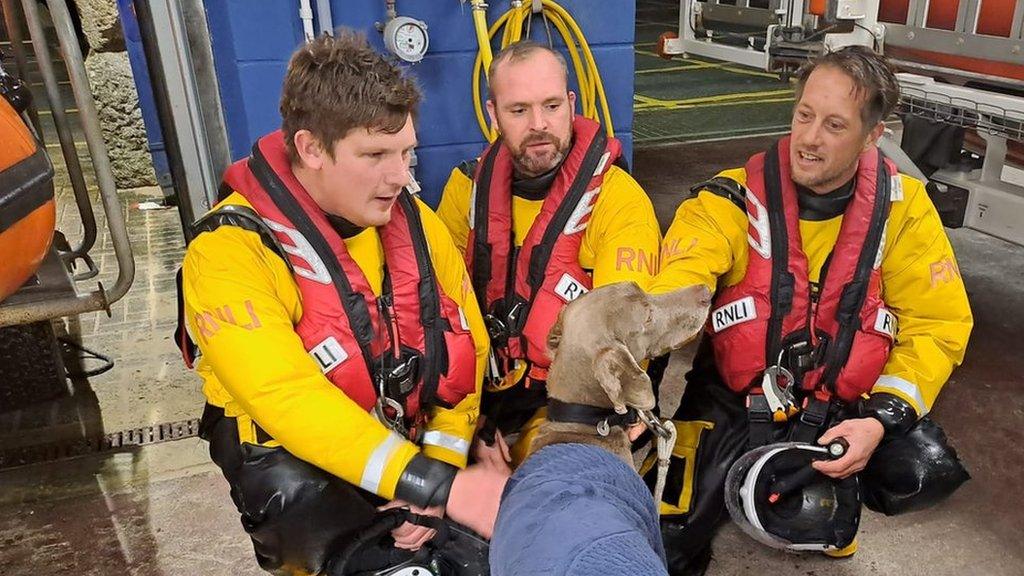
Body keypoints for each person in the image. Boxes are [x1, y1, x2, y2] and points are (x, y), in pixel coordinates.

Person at [177, 31, 507, 576]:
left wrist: (439, 467)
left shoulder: (418, 226)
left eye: (406, 153)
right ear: (310, 149)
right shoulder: (227, 252)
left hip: (411, 453)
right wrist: (431, 483)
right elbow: (283, 395)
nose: (401, 176)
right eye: (375, 154)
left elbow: (465, 344)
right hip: (308, 475)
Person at [649, 46, 973, 575]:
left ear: (873, 137)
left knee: (911, 475)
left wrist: (880, 419)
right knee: (664, 538)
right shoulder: (728, 201)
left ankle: (829, 481)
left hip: (841, 409)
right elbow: (672, 288)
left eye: (834, 125)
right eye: (804, 115)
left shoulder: (904, 209)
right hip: (734, 400)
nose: (809, 138)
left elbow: (938, 325)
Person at [437, 40, 662, 465]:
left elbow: (622, 331)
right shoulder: (465, 189)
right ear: (493, 113)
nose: (539, 124)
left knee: (544, 479)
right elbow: (437, 306)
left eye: (552, 106)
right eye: (519, 110)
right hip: (483, 388)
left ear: (571, 104)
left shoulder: (618, 200)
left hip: (571, 396)